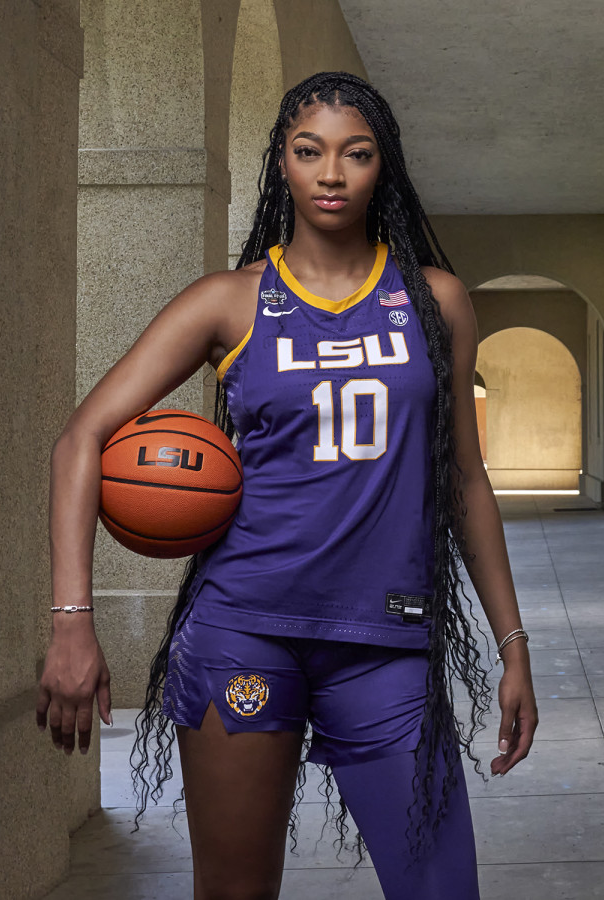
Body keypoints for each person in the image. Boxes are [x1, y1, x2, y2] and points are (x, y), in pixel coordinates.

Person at [36, 71, 538, 900]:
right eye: (310, 152)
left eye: (356, 154)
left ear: (385, 166)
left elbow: (464, 480)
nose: (332, 174)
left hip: (383, 644)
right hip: (243, 632)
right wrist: (71, 623)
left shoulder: (434, 301)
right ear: (282, 162)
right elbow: (81, 439)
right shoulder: (229, 305)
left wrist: (512, 643)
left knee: (442, 890)